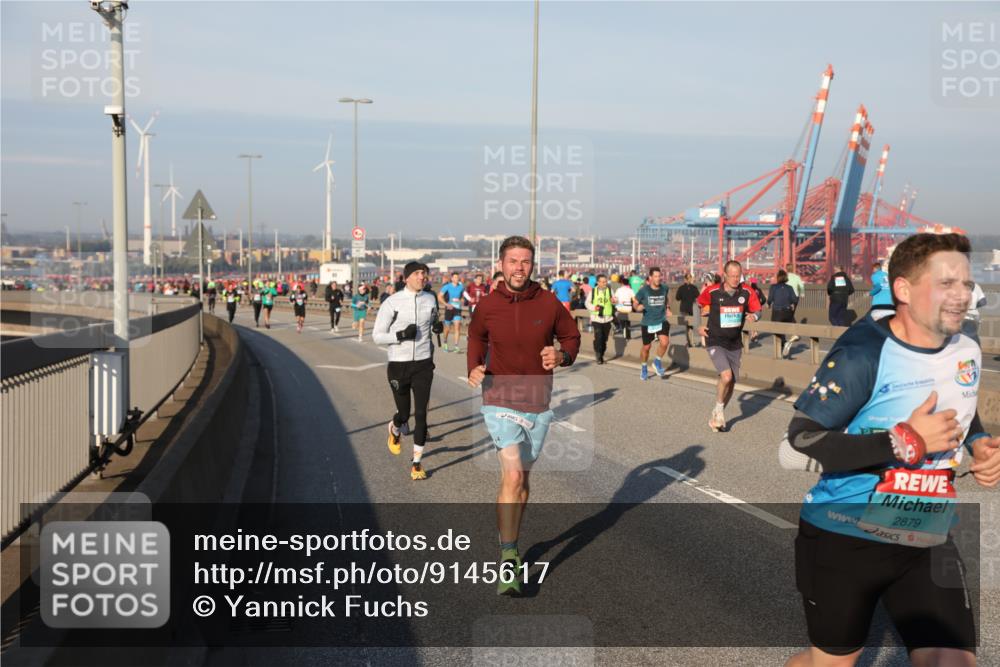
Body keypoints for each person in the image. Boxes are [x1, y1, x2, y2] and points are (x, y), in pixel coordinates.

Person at [781, 232, 999, 667]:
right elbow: (801, 438)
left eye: (965, 283)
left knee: (953, 661)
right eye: (946, 284)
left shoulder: (967, 349)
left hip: (927, 532)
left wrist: (979, 445)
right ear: (903, 289)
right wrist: (903, 443)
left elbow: (963, 407)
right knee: (834, 662)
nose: (961, 296)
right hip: (844, 535)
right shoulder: (863, 352)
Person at [467, 236, 581, 596]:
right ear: (500, 264)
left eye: (526, 261)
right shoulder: (487, 305)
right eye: (513, 261)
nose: (519, 267)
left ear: (534, 266)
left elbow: (572, 336)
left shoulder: (548, 302)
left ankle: (512, 538)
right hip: (499, 397)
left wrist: (561, 356)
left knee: (522, 481)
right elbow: (475, 337)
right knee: (513, 473)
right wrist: (473, 366)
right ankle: (509, 555)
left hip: (538, 401)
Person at [373, 261, 443, 481]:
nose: (423, 277)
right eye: (418, 274)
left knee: (421, 415)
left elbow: (432, 320)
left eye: (425, 274)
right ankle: (394, 428)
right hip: (398, 364)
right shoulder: (392, 302)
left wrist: (436, 327)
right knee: (404, 415)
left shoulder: (430, 299)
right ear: (407, 278)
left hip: (423, 363)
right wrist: (401, 335)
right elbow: (377, 336)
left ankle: (416, 464)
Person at [696, 260, 761, 432]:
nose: (735, 279)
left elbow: (758, 310)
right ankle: (718, 409)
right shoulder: (713, 291)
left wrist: (754, 317)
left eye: (737, 276)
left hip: (735, 343)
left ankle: (717, 414)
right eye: (731, 276)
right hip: (715, 340)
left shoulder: (746, 291)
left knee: (731, 382)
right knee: (726, 376)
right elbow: (698, 305)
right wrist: (698, 325)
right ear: (724, 275)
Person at [633, 266, 672, 380]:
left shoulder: (664, 288)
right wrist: (638, 307)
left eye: (659, 276)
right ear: (650, 277)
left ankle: (657, 361)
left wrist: (668, 308)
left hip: (661, 319)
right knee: (646, 347)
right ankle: (644, 367)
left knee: (665, 342)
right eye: (655, 276)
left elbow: (666, 299)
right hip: (648, 322)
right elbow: (635, 303)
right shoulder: (644, 290)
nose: (658, 278)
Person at [767, 270, 800, 358]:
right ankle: (792, 336)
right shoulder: (789, 287)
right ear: (786, 278)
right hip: (787, 312)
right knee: (790, 326)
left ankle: (784, 344)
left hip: (777, 312)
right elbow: (795, 299)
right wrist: (791, 304)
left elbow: (770, 298)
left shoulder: (773, 287)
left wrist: (769, 304)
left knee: (777, 331)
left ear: (778, 277)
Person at [586, 274, 615, 364]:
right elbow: (587, 303)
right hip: (596, 318)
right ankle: (598, 355)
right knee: (599, 336)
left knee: (604, 339)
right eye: (602, 282)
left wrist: (614, 301)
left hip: (607, 318)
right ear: (598, 282)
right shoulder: (593, 291)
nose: (604, 283)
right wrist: (594, 307)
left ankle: (601, 354)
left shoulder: (610, 290)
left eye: (605, 281)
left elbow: (614, 301)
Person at [438, 272, 466, 353]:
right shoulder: (447, 286)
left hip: (457, 309)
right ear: (452, 278)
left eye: (458, 277)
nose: (457, 279)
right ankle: (445, 342)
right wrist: (446, 304)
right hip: (449, 309)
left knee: (457, 327)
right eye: (455, 277)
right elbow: (439, 296)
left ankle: (456, 346)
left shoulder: (461, 287)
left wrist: (460, 300)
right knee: (447, 328)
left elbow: (463, 299)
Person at [675, 273, 700, 347]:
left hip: (684, 309)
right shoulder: (694, 288)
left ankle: (688, 342)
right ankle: (693, 341)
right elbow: (698, 297)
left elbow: (677, 298)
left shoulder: (681, 288)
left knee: (686, 327)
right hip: (692, 309)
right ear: (691, 279)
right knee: (692, 326)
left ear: (684, 279)